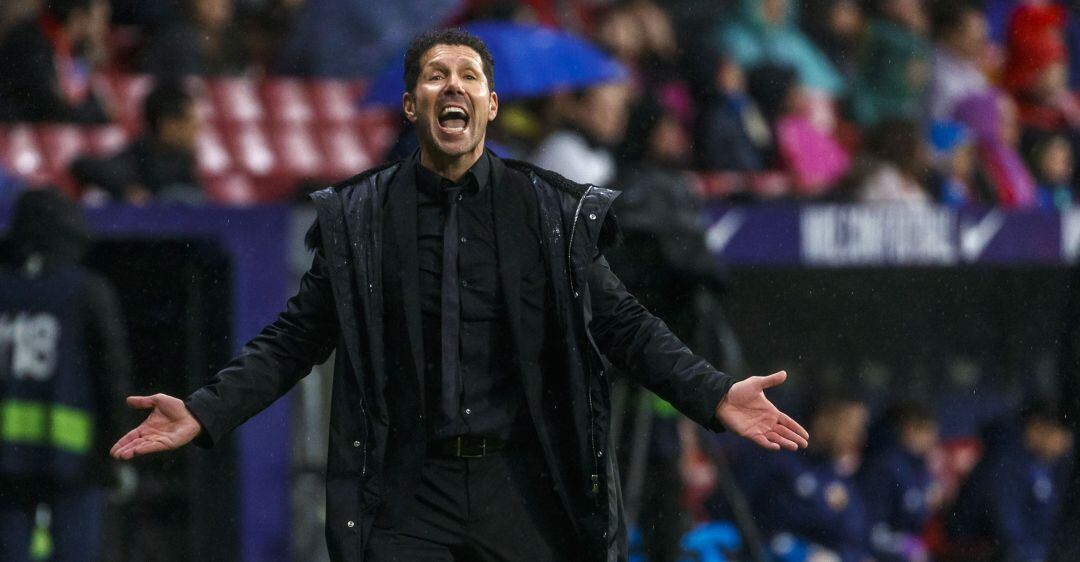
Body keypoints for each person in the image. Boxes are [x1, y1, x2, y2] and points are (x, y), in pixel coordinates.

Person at [109, 28, 810, 562]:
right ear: (413, 105)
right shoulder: (363, 221)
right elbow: (293, 338)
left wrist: (714, 394)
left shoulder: (547, 215)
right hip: (411, 490)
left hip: (524, 485)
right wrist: (204, 412)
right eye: (436, 76)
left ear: (491, 105)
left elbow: (623, 323)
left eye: (468, 76)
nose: (454, 86)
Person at [0, 189, 132, 562]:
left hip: (5, 467)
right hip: (74, 464)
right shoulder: (88, 292)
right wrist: (115, 454)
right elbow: (112, 377)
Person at [947, 402, 1073, 562]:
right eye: (1059, 436)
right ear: (1037, 428)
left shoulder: (1040, 462)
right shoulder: (1005, 458)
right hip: (978, 550)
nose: (1064, 445)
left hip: (1022, 550)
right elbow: (1006, 529)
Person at [70, 81, 202, 204]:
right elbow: (82, 165)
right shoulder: (137, 158)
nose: (198, 130)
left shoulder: (183, 163)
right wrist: (126, 189)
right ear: (169, 125)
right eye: (192, 124)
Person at [0, 0, 111, 123]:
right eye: (100, 18)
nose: (104, 28)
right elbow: (50, 111)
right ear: (78, 17)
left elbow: (88, 101)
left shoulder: (77, 50)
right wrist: (99, 113)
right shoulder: (29, 44)